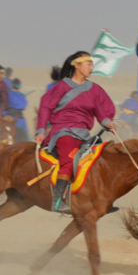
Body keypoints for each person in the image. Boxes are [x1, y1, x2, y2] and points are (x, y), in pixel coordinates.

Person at [35, 51, 116, 212]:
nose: (91, 68)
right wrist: (41, 130)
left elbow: (102, 112)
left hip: (85, 134)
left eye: (92, 64)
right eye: (88, 64)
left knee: (100, 162)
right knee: (69, 161)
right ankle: (57, 200)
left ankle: (100, 200)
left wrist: (107, 122)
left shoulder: (95, 89)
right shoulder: (62, 86)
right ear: (77, 65)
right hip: (64, 131)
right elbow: (46, 107)